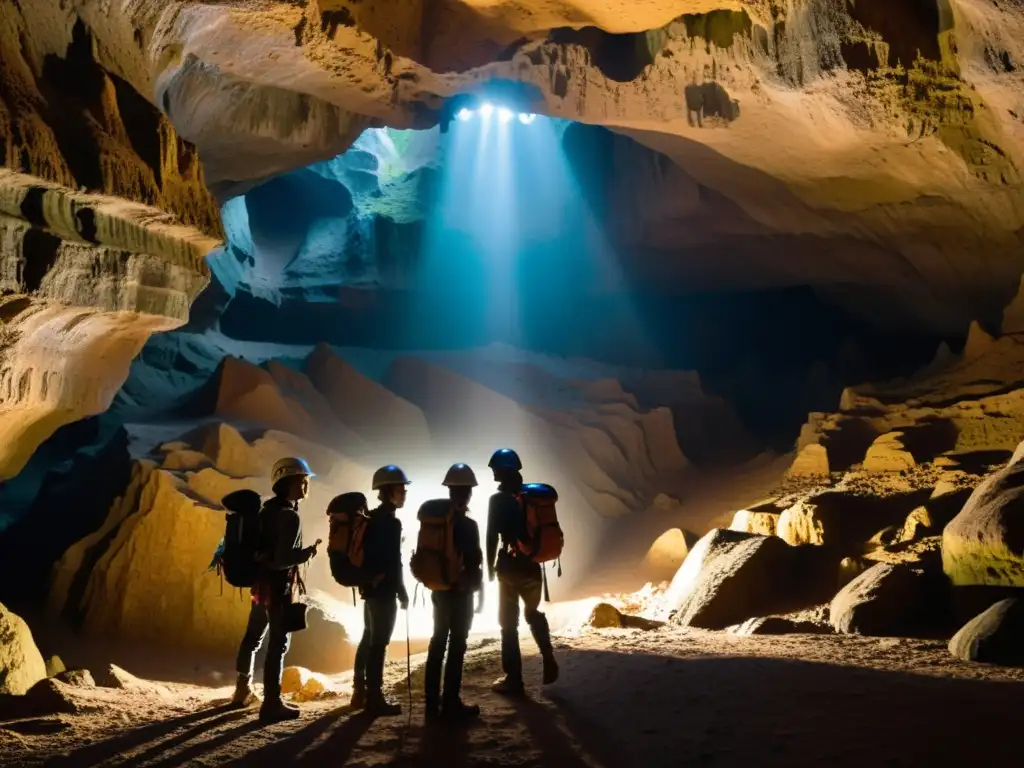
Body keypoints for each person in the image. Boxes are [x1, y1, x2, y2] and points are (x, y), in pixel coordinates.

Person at [232, 457, 320, 722]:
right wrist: (307, 553)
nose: (306, 485)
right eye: (302, 480)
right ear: (288, 483)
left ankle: (241, 690)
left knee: (253, 637)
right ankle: (272, 703)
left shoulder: (265, 511)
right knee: (278, 645)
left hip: (260, 587)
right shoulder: (289, 516)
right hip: (278, 589)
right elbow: (283, 558)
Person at [486, 448, 558, 695]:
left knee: (508, 624)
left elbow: (491, 536)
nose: (492, 472)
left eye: (494, 468)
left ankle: (513, 679)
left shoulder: (498, 500)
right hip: (532, 565)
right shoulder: (530, 496)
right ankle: (548, 656)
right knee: (533, 613)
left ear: (502, 470)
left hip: (508, 567)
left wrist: (488, 567)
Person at [423, 463, 484, 722]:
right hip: (461, 593)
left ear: (449, 491)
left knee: (437, 643)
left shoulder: (434, 522)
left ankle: (430, 704)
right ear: (468, 493)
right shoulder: (468, 525)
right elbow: (475, 559)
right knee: (457, 644)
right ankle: (451, 703)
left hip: (439, 589)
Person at [351, 464, 411, 715]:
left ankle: (359, 692)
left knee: (368, 638)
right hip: (384, 591)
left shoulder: (372, 518)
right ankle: (374, 698)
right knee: (379, 644)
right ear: (389, 492)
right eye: (400, 490)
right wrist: (402, 590)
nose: (404, 494)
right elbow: (393, 560)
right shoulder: (391, 523)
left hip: (369, 587)